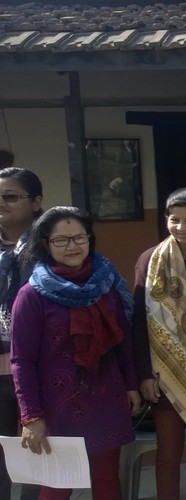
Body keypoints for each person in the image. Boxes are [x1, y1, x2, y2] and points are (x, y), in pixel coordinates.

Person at [11, 206, 140, 500]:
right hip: (57, 407)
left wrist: (131, 384)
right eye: (61, 240)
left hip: (107, 399)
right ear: (46, 244)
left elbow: (122, 340)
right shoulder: (31, 295)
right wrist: (31, 416)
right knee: (57, 485)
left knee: (107, 478)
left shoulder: (105, 285)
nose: (72, 246)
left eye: (79, 237)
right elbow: (22, 361)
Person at [132, 188, 186, 500]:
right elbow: (139, 322)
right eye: (174, 220)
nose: (182, 227)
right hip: (164, 369)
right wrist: (144, 374)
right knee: (168, 452)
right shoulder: (150, 260)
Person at [0, 167, 42, 500]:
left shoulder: (51, 247)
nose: (1, 203)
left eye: (11, 196)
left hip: (38, 367)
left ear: (36, 202)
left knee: (38, 450)